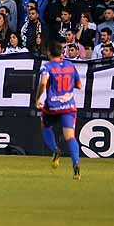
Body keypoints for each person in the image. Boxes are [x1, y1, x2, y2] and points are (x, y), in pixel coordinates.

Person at [37, 41, 83, 180]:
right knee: (70, 136)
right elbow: (79, 85)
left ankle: (55, 149)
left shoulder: (47, 67)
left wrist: (37, 98)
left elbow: (43, 83)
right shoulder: (70, 65)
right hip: (68, 106)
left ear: (49, 53)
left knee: (45, 125)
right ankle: (76, 165)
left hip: (52, 106)